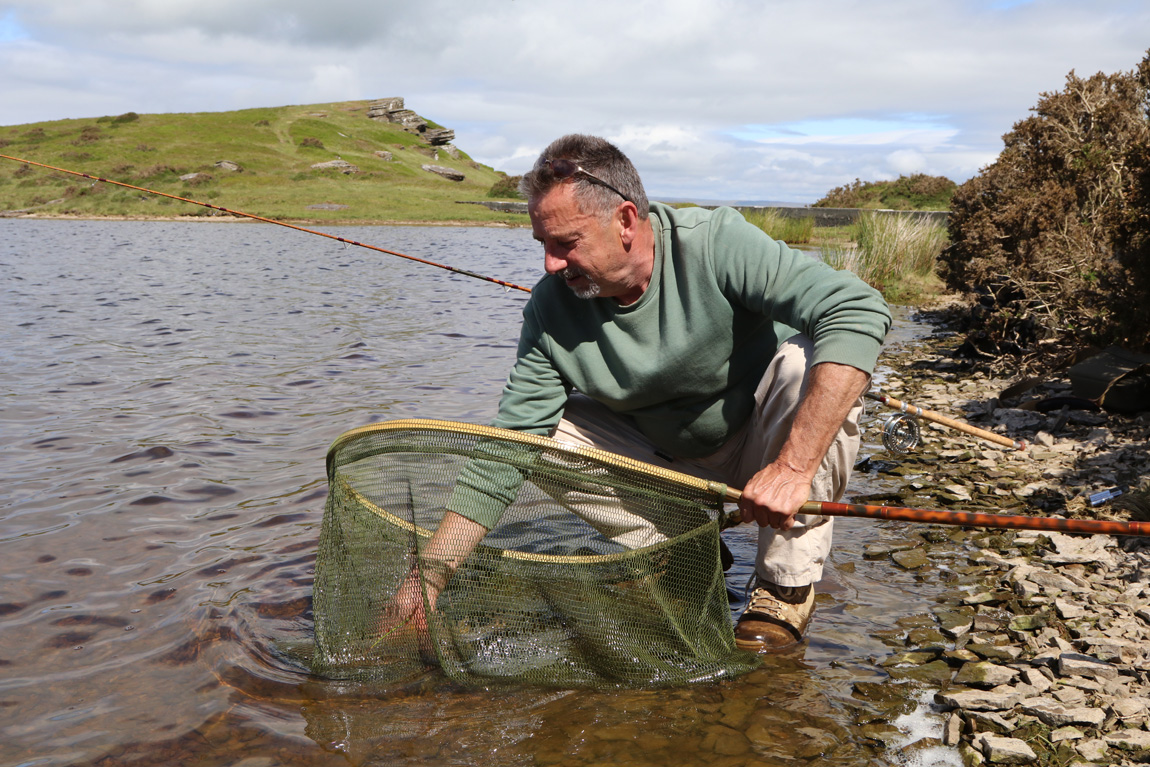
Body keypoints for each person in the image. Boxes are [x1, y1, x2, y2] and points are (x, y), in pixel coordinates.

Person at [390, 134, 891, 651]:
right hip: (663, 463)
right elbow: (509, 448)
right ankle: (684, 550)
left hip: (764, 445)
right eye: (543, 245)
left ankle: (783, 585)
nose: (550, 265)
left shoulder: (715, 241)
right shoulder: (550, 308)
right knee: (541, 440)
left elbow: (858, 308)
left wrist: (792, 469)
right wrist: (426, 580)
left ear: (626, 221)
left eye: (566, 243)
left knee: (806, 360)